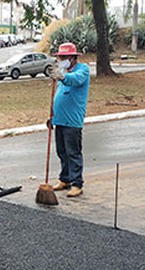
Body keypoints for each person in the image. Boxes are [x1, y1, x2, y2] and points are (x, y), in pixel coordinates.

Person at [47, 42, 90, 198]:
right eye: (60, 57)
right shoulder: (62, 71)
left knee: (73, 153)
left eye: (64, 56)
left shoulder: (82, 70)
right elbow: (58, 96)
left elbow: (75, 80)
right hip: (60, 120)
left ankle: (77, 183)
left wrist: (62, 76)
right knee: (62, 152)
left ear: (73, 57)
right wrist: (52, 116)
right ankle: (65, 179)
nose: (62, 59)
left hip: (72, 121)